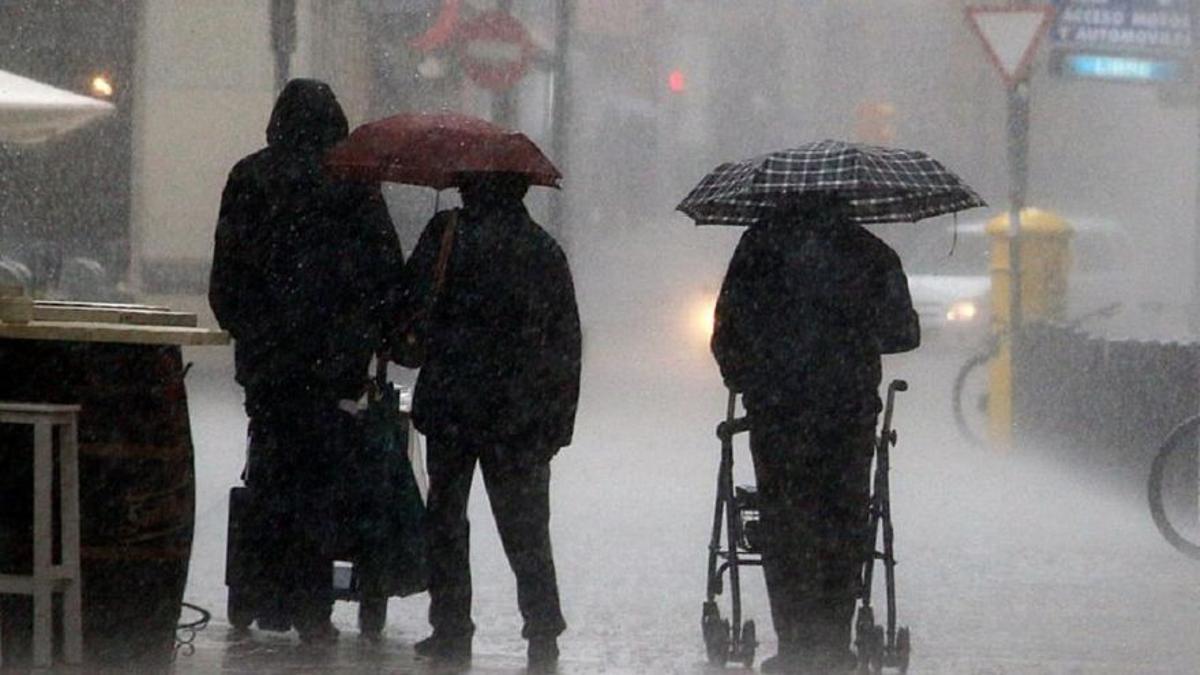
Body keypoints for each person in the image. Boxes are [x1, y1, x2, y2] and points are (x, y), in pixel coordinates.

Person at [209, 79, 404, 644]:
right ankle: (313, 609)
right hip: (331, 370)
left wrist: (251, 328)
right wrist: (364, 337)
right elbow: (383, 272)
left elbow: (228, 276)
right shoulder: (352, 182)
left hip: (271, 368)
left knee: (271, 476)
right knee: (320, 485)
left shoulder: (250, 178)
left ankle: (268, 595)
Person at [710, 192, 919, 673]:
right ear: (847, 199)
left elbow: (725, 333)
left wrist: (745, 377)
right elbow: (905, 333)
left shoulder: (758, 248)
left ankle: (794, 638)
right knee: (843, 517)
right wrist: (856, 330)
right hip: (845, 413)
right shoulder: (870, 253)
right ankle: (832, 637)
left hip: (777, 411)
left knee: (784, 518)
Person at [397, 172, 581, 669]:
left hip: (453, 403)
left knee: (446, 519)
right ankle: (543, 630)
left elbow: (410, 304)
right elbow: (565, 342)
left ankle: (451, 625)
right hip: (518, 414)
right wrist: (559, 419)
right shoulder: (543, 250)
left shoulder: (446, 234)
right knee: (525, 528)